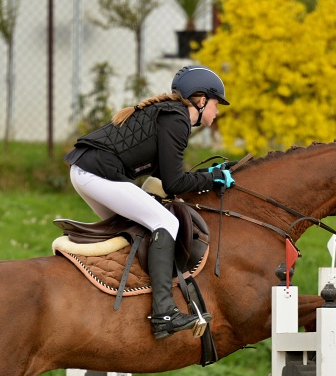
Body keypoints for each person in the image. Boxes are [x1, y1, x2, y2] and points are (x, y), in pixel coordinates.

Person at [64, 65, 234, 340]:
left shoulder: (170, 115)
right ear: (201, 100)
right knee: (165, 221)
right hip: (95, 173)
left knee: (140, 227)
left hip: (87, 171)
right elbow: (174, 184)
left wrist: (206, 177)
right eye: (216, 104)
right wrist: (213, 179)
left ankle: (126, 296)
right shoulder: (176, 119)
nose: (217, 111)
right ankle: (164, 312)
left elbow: (163, 176)